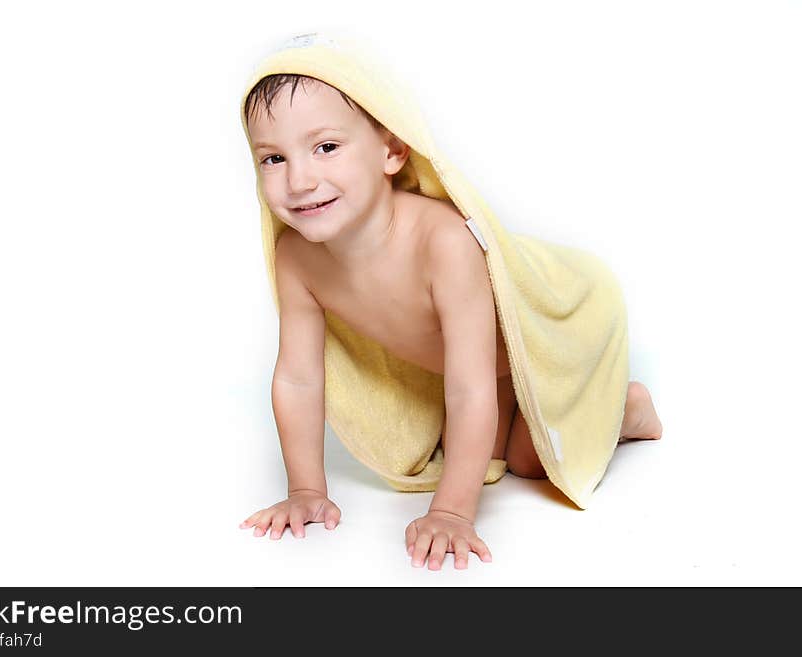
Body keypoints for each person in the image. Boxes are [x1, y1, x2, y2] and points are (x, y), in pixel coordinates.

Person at [237, 72, 663, 570]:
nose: (300, 180)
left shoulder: (443, 242)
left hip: (560, 331)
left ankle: (626, 408)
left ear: (391, 152)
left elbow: (467, 389)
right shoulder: (296, 259)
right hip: (483, 372)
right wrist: (305, 488)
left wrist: (452, 511)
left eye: (326, 147)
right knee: (495, 457)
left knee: (532, 464)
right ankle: (562, 413)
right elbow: (299, 377)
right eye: (273, 158)